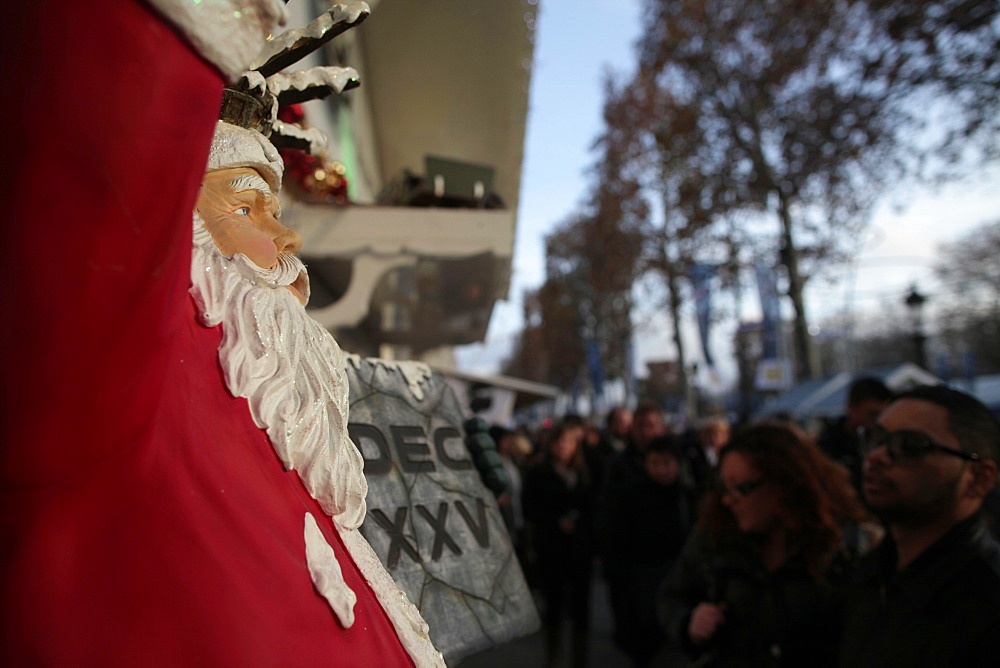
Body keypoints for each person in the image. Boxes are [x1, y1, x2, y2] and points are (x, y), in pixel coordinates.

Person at [1, 4, 442, 664]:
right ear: (181, 228)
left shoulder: (265, 410)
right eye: (246, 206)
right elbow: (102, 156)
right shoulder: (127, 390)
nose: (286, 238)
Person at [660, 422, 874, 667]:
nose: (728, 500)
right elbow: (672, 597)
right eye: (723, 488)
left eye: (742, 488)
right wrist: (689, 624)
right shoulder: (715, 536)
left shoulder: (842, 542)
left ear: (784, 483)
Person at [839, 385, 1000, 667]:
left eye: (910, 447)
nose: (876, 456)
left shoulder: (985, 597)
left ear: (978, 478)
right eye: (876, 439)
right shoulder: (867, 575)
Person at [600, 435, 699, 666]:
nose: (661, 470)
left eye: (666, 463)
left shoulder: (688, 496)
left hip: (677, 579)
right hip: (641, 584)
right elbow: (617, 540)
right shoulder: (632, 495)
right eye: (655, 463)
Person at [523, 422, 596, 667]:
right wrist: (555, 521)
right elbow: (530, 508)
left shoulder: (585, 472)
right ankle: (553, 658)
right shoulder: (537, 473)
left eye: (568, 441)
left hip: (580, 551)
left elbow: (594, 507)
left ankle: (579, 659)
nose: (563, 447)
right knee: (553, 608)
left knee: (580, 612)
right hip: (552, 550)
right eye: (558, 441)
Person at [818, 376, 892, 490]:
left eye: (883, 415)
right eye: (872, 414)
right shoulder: (825, 448)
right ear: (851, 407)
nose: (877, 422)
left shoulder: (888, 444)